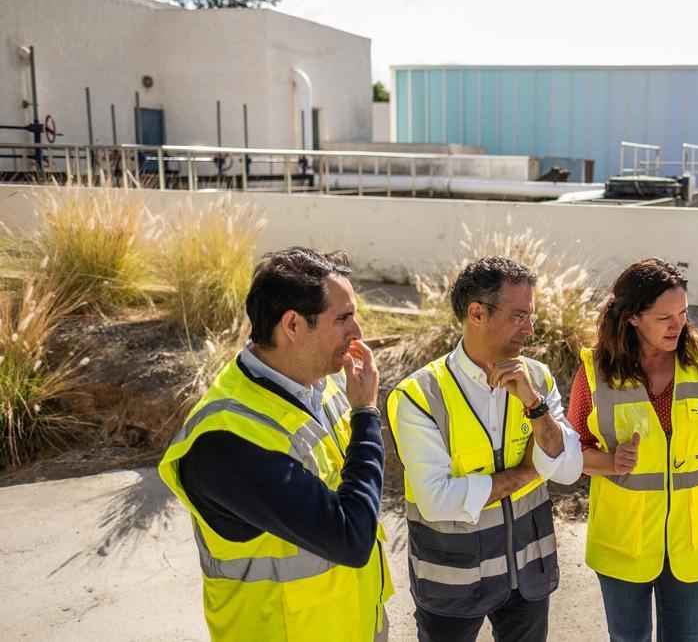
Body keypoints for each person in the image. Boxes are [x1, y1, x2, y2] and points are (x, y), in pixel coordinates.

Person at [158, 247, 394, 641]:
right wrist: (367, 414)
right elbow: (351, 538)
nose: (357, 333)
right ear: (293, 325)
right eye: (343, 319)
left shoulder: (325, 382)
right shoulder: (227, 441)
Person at [565, 257, 698, 642]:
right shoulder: (596, 372)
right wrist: (607, 461)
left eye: (684, 313)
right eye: (664, 317)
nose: (678, 325)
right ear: (633, 318)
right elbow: (570, 453)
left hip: (691, 544)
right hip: (623, 543)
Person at [388, 256, 583, 642]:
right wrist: (530, 472)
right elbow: (437, 500)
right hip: (452, 583)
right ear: (476, 313)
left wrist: (535, 404)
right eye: (518, 315)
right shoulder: (418, 396)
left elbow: (569, 469)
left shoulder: (538, 379)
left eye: (531, 316)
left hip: (527, 574)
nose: (530, 329)